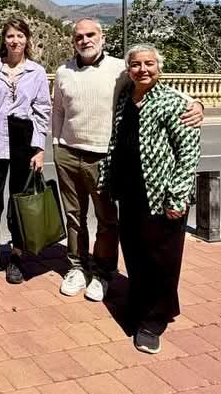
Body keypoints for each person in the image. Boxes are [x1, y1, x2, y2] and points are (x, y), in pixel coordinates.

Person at [52, 18, 203, 302]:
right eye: (79, 36)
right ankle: (76, 267)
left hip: (103, 158)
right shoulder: (63, 71)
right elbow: (57, 110)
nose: (85, 40)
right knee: (74, 216)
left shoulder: (120, 69)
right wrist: (56, 144)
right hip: (68, 154)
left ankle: (102, 272)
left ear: (102, 37)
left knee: (107, 220)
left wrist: (197, 103)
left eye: (90, 35)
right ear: (73, 41)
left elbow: (153, 82)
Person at [98, 44, 200, 354]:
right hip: (130, 192)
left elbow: (188, 153)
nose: (143, 69)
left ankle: (154, 320)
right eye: (136, 64)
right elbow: (116, 143)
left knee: (162, 258)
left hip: (162, 195)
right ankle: (140, 304)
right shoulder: (126, 101)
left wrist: (178, 195)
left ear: (159, 67)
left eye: (149, 64)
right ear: (128, 69)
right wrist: (107, 181)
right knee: (136, 252)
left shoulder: (174, 102)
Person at [0, 17, 51, 284]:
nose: (14, 41)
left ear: (27, 39)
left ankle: (17, 253)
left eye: (19, 36)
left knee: (20, 202)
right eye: (10, 36)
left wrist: (39, 148)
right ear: (3, 40)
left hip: (23, 142)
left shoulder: (36, 72)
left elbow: (43, 112)